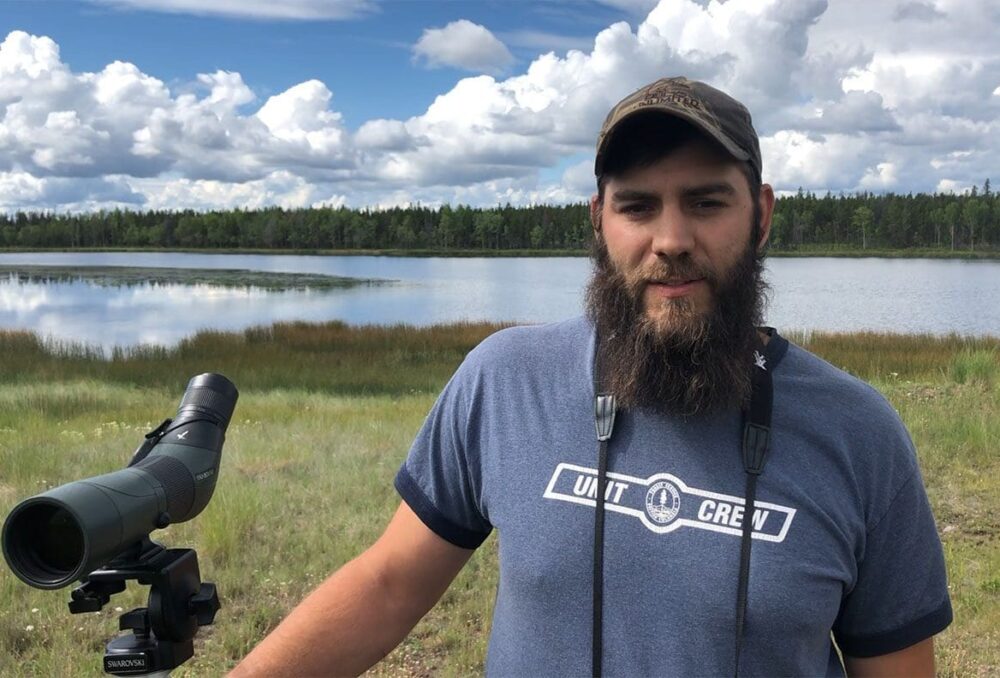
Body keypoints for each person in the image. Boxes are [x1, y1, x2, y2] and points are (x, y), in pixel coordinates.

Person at [232, 77, 952, 677]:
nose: (670, 240)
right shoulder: (505, 380)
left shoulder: (858, 434)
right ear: (599, 224)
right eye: (637, 206)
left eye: (706, 202)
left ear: (760, 215)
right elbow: (387, 585)